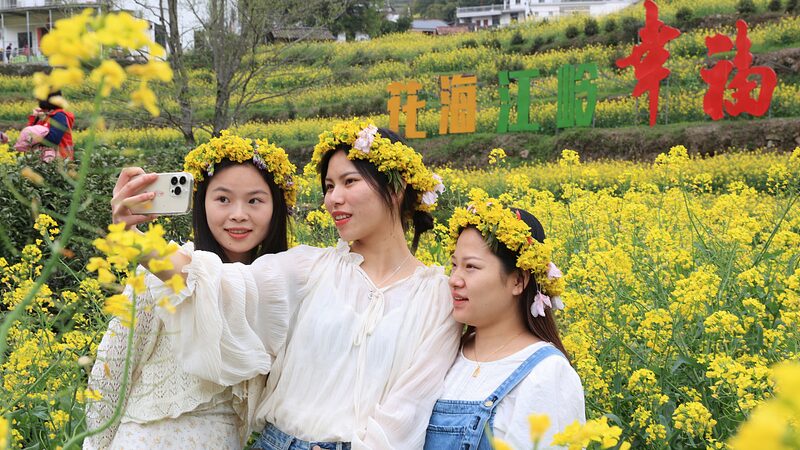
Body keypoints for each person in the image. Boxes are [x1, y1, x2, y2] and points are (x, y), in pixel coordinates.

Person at [111, 120, 460, 449]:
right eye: (328, 186)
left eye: (349, 182)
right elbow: (219, 284)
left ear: (396, 188)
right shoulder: (309, 267)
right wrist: (132, 237)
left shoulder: (437, 296)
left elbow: (409, 408)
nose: (333, 198)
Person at [84, 132, 296, 449]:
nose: (238, 214)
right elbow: (113, 370)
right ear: (202, 204)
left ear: (276, 207)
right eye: (223, 199)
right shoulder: (161, 271)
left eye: (254, 200)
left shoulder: (281, 289)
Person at [425, 190, 586, 450]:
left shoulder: (545, 374)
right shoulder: (444, 351)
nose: (454, 279)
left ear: (518, 280)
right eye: (454, 265)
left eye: (471, 267)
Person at [28, 91, 75, 160]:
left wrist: (34, 139)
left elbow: (53, 139)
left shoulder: (59, 116)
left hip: (59, 162)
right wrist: (33, 118)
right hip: (43, 160)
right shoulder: (43, 115)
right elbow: (27, 136)